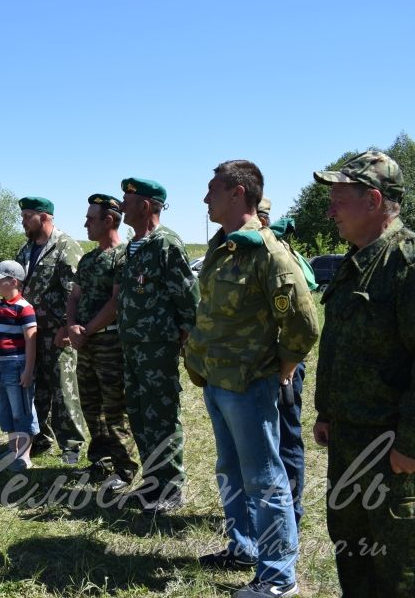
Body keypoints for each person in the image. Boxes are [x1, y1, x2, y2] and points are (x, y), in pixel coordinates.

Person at [186, 161, 319, 598]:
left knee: (265, 479)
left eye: (213, 190)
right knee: (230, 470)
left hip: (250, 384)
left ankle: (279, 577)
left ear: (238, 193)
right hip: (217, 382)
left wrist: (284, 365)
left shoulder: (269, 252)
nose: (206, 199)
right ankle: (242, 548)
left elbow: (303, 322)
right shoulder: (224, 247)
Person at [311, 150, 415, 596]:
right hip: (350, 441)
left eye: (339, 198)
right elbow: (341, 345)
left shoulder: (405, 262)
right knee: (353, 556)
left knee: (398, 570)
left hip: (391, 451)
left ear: (373, 200)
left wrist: (410, 444)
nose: (330, 209)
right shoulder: (359, 259)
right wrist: (326, 412)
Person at [115, 177, 199, 513]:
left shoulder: (166, 244)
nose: (122, 207)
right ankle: (152, 484)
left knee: (162, 417)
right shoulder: (133, 246)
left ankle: (170, 489)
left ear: (146, 205)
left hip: (157, 346)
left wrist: (186, 335)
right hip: (132, 345)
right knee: (139, 415)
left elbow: (187, 295)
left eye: (128, 201)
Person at [63, 193, 138, 491]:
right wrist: (71, 326)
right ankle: (101, 460)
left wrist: (87, 329)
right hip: (86, 341)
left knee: (114, 405)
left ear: (109, 220)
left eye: (90, 219)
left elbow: (116, 300)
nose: (85, 224)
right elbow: (75, 296)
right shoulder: (90, 258)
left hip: (109, 343)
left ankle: (124, 467)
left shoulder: (123, 255)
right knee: (90, 404)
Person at [14, 196, 87, 464]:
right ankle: (40, 437)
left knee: (63, 389)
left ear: (44, 217)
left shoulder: (66, 247)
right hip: (31, 333)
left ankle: (71, 445)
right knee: (36, 387)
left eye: (27, 216)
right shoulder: (26, 249)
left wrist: (68, 328)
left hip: (57, 332)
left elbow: (76, 292)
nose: (23, 221)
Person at [258, 195, 312, 528]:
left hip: (283, 365)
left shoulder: (278, 256)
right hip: (261, 366)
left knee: (287, 438)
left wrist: (287, 367)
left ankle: (291, 509)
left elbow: (300, 323)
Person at [0, 260, 39, 472]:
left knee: (22, 410)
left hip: (16, 365)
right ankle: (12, 449)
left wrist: (28, 370)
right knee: (5, 408)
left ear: (14, 281)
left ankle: (24, 455)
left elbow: (31, 341)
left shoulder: (24, 308)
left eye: (0, 280)